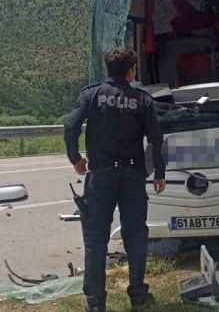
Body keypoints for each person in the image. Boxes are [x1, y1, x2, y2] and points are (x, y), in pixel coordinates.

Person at [64, 47, 165, 312]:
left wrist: (75, 158)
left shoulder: (92, 94)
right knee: (136, 236)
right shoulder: (142, 99)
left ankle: (96, 303)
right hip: (133, 175)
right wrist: (160, 173)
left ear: (108, 69)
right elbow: (156, 138)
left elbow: (70, 125)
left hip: (101, 175)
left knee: (96, 239)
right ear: (131, 70)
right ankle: (139, 295)